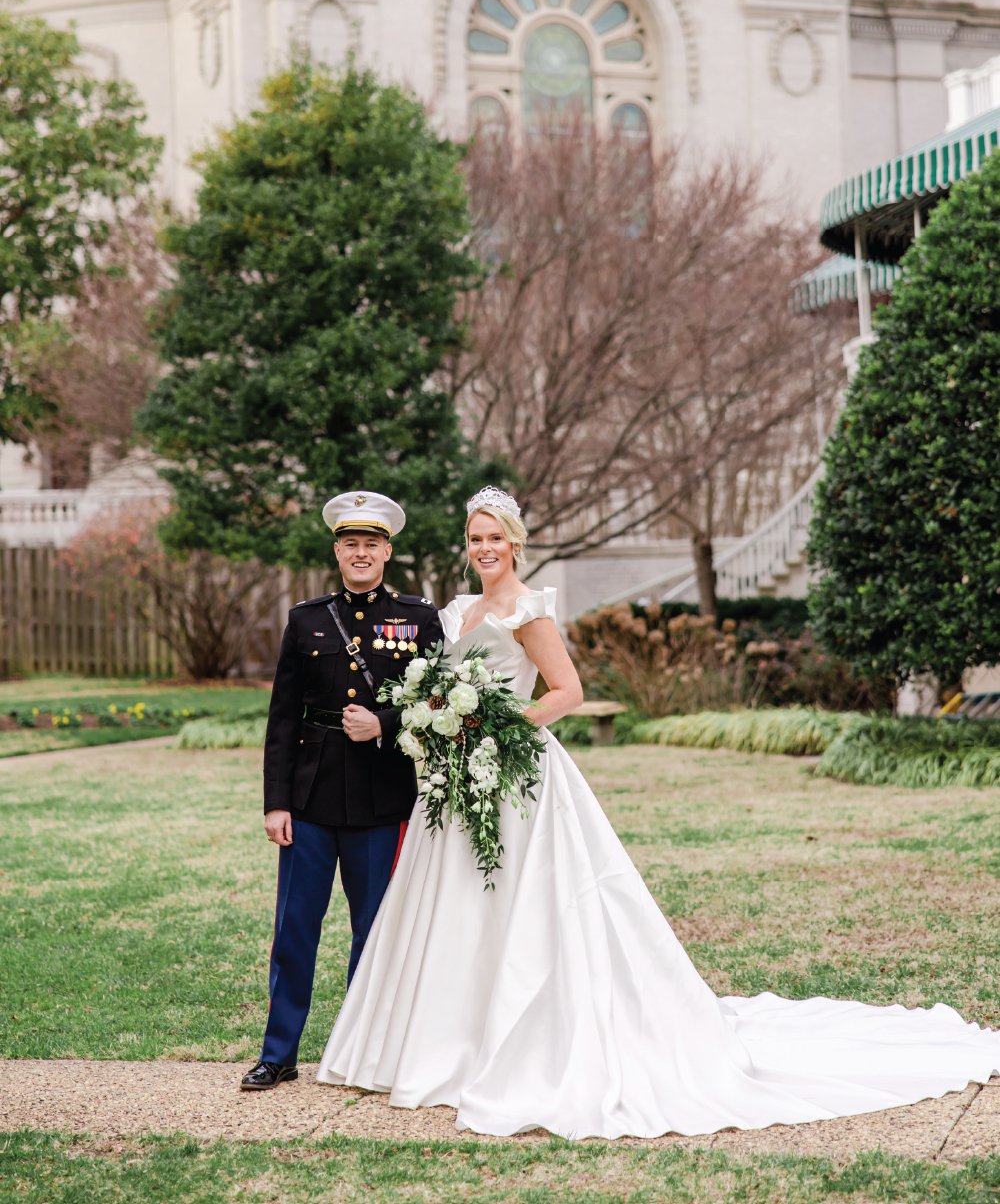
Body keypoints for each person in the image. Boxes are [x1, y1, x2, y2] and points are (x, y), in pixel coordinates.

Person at [315, 485, 1000, 1139]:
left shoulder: (529, 608)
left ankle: (521, 1043)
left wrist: (498, 724)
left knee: (524, 905)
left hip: (516, 772)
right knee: (458, 905)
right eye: (475, 538)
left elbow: (568, 692)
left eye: (496, 537)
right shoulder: (456, 611)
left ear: (516, 544)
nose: (485, 547)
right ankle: (449, 1043)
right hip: (459, 781)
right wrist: (439, 719)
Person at [240, 491, 443, 1092]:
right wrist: (276, 801)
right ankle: (279, 1053)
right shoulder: (306, 619)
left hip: (382, 799)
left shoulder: (419, 617)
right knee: (295, 927)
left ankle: (362, 1053)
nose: (361, 553)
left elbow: (437, 703)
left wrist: (385, 723)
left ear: (387, 551)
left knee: (373, 932)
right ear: (337, 551)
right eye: (350, 544)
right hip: (308, 798)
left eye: (371, 544)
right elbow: (282, 717)